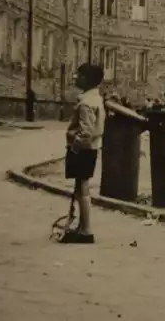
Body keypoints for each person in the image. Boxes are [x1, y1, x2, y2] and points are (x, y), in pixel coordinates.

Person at [63, 63, 105, 244]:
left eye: (78, 75)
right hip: (91, 148)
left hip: (83, 149)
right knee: (81, 188)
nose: (75, 78)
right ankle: (82, 227)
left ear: (87, 80)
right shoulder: (96, 99)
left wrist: (75, 146)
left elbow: (86, 132)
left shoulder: (86, 103)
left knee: (83, 190)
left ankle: (86, 230)